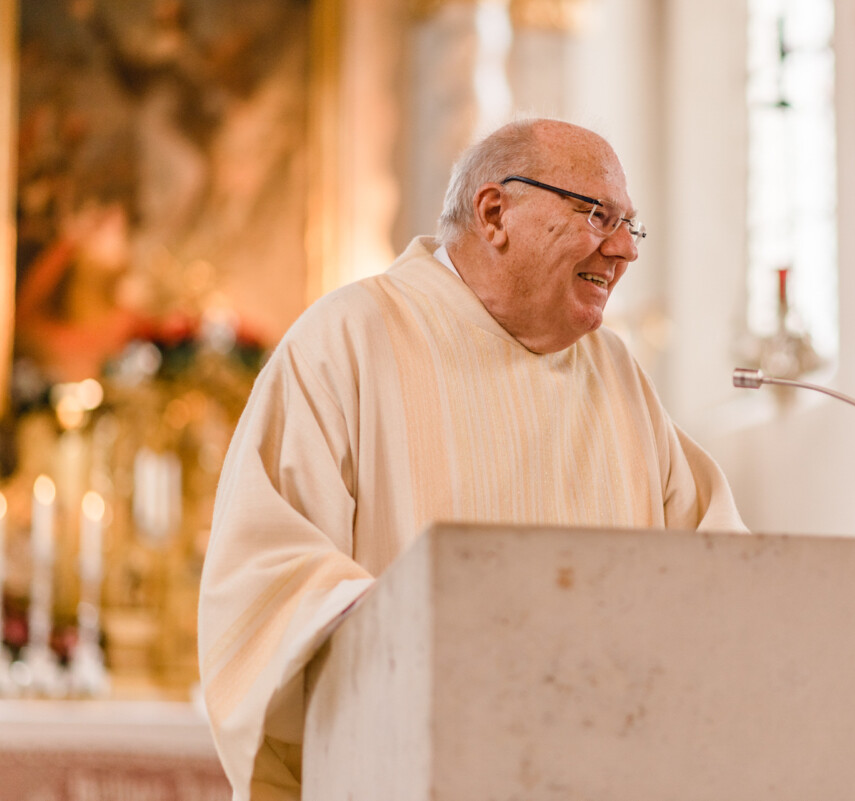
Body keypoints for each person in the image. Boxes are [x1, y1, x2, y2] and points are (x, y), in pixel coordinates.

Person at [197, 118, 746, 800]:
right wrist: (450, 638)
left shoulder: (617, 374)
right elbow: (266, 576)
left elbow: (723, 576)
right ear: (494, 213)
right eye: (599, 215)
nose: (624, 250)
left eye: (631, 226)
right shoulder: (347, 340)